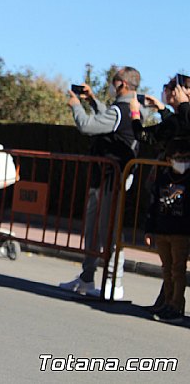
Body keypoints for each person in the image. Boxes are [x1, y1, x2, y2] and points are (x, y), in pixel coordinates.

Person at [59, 67, 142, 300]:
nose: (110, 85)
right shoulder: (127, 110)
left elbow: (88, 125)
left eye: (113, 81)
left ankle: (114, 282)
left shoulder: (122, 110)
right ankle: (87, 277)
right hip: (104, 177)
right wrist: (93, 100)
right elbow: (108, 119)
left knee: (109, 232)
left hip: (111, 179)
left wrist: (76, 105)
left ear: (121, 84)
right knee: (94, 230)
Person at [143, 138, 190, 324]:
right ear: (170, 159)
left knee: (178, 270)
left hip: (182, 232)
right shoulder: (163, 178)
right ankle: (168, 301)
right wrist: (149, 230)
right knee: (167, 269)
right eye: (179, 157)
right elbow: (153, 205)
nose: (183, 161)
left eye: (187, 157)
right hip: (163, 229)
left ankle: (176, 304)